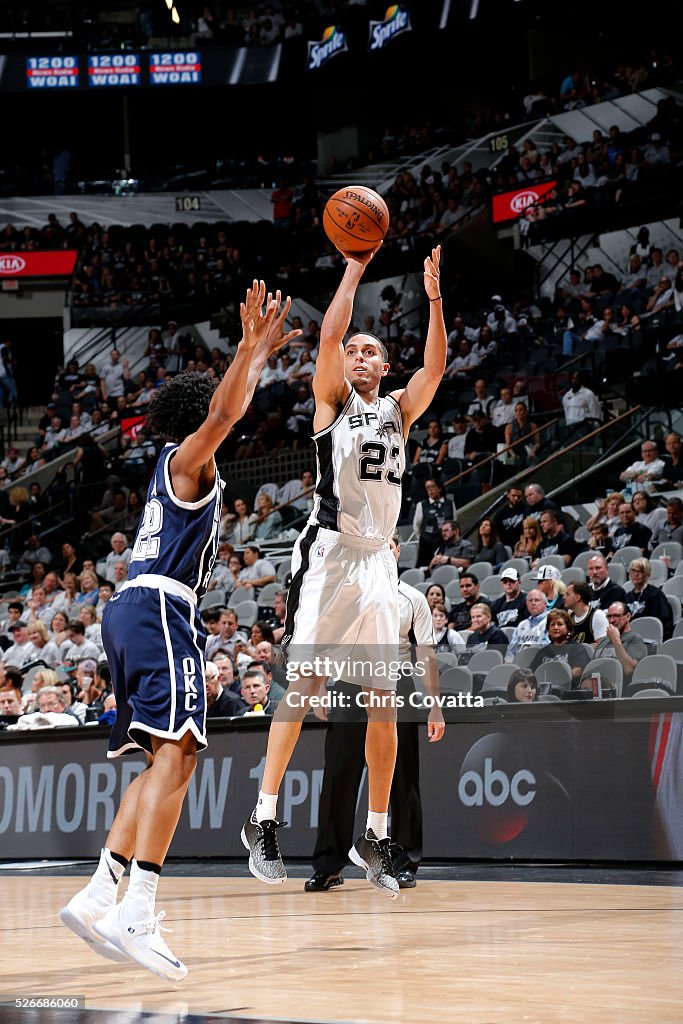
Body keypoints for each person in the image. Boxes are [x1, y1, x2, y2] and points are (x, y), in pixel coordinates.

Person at [59, 281, 300, 981]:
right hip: (160, 610)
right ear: (199, 420)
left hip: (132, 612)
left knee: (164, 760)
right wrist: (248, 349)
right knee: (182, 755)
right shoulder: (189, 460)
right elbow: (227, 409)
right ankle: (138, 909)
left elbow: (231, 405)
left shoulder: (176, 470)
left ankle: (100, 893)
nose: (238, 419)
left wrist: (254, 361)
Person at [241, 244, 447, 900]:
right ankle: (263, 817)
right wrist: (356, 264)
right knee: (304, 685)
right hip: (330, 551)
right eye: (353, 349)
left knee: (383, 702)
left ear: (386, 367)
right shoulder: (331, 404)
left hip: (380, 561)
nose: (358, 354)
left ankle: (376, 833)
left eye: (370, 351)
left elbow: (436, 366)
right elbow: (329, 331)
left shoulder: (398, 411)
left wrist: (435, 301)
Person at [306, 534, 444, 892]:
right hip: (350, 685)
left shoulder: (413, 599)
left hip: (398, 686)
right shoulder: (348, 593)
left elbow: (426, 655)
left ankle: (403, 860)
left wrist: (435, 706)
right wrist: (320, 689)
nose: (383, 551)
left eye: (389, 546)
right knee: (338, 776)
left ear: (396, 552)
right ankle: (328, 864)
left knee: (402, 779)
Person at [594, 602, 648, 683]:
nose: (611, 620)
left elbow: (630, 669)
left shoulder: (634, 639)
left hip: (620, 687)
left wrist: (616, 640)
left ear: (628, 616)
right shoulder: (603, 641)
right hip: (597, 686)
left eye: (616, 616)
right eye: (609, 616)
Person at [530, 609, 590, 681]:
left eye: (560, 624)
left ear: (568, 628)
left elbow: (578, 671)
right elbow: (530, 673)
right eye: (552, 625)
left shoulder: (577, 648)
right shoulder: (542, 652)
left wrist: (555, 678)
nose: (555, 627)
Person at [625, 558, 674, 639]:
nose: (636, 574)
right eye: (633, 571)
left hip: (649, 638)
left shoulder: (656, 594)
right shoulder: (627, 597)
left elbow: (663, 623)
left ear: (648, 574)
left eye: (640, 571)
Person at [505, 590, 549, 662]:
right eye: (530, 600)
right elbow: (511, 651)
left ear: (545, 603)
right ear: (526, 604)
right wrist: (509, 664)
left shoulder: (551, 622)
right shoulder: (522, 625)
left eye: (537, 600)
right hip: (519, 666)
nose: (533, 603)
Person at [564, 581, 609, 646]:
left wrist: (580, 649)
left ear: (577, 597)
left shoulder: (598, 616)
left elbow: (602, 646)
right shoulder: (569, 617)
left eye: (567, 594)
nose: (564, 597)